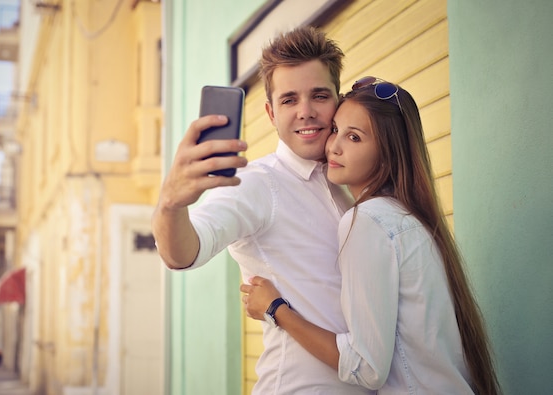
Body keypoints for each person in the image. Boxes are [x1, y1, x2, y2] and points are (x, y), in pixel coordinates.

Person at [241, 77, 502, 394]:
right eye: (335, 129)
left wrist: (276, 310)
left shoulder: (368, 221)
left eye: (354, 137)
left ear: (388, 152)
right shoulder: (410, 218)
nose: (334, 146)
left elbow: (366, 368)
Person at [152, 26, 372, 394]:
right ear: (271, 113)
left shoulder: (350, 182)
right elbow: (183, 252)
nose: (306, 112)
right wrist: (171, 203)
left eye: (319, 95)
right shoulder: (256, 183)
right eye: (289, 100)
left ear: (339, 100)